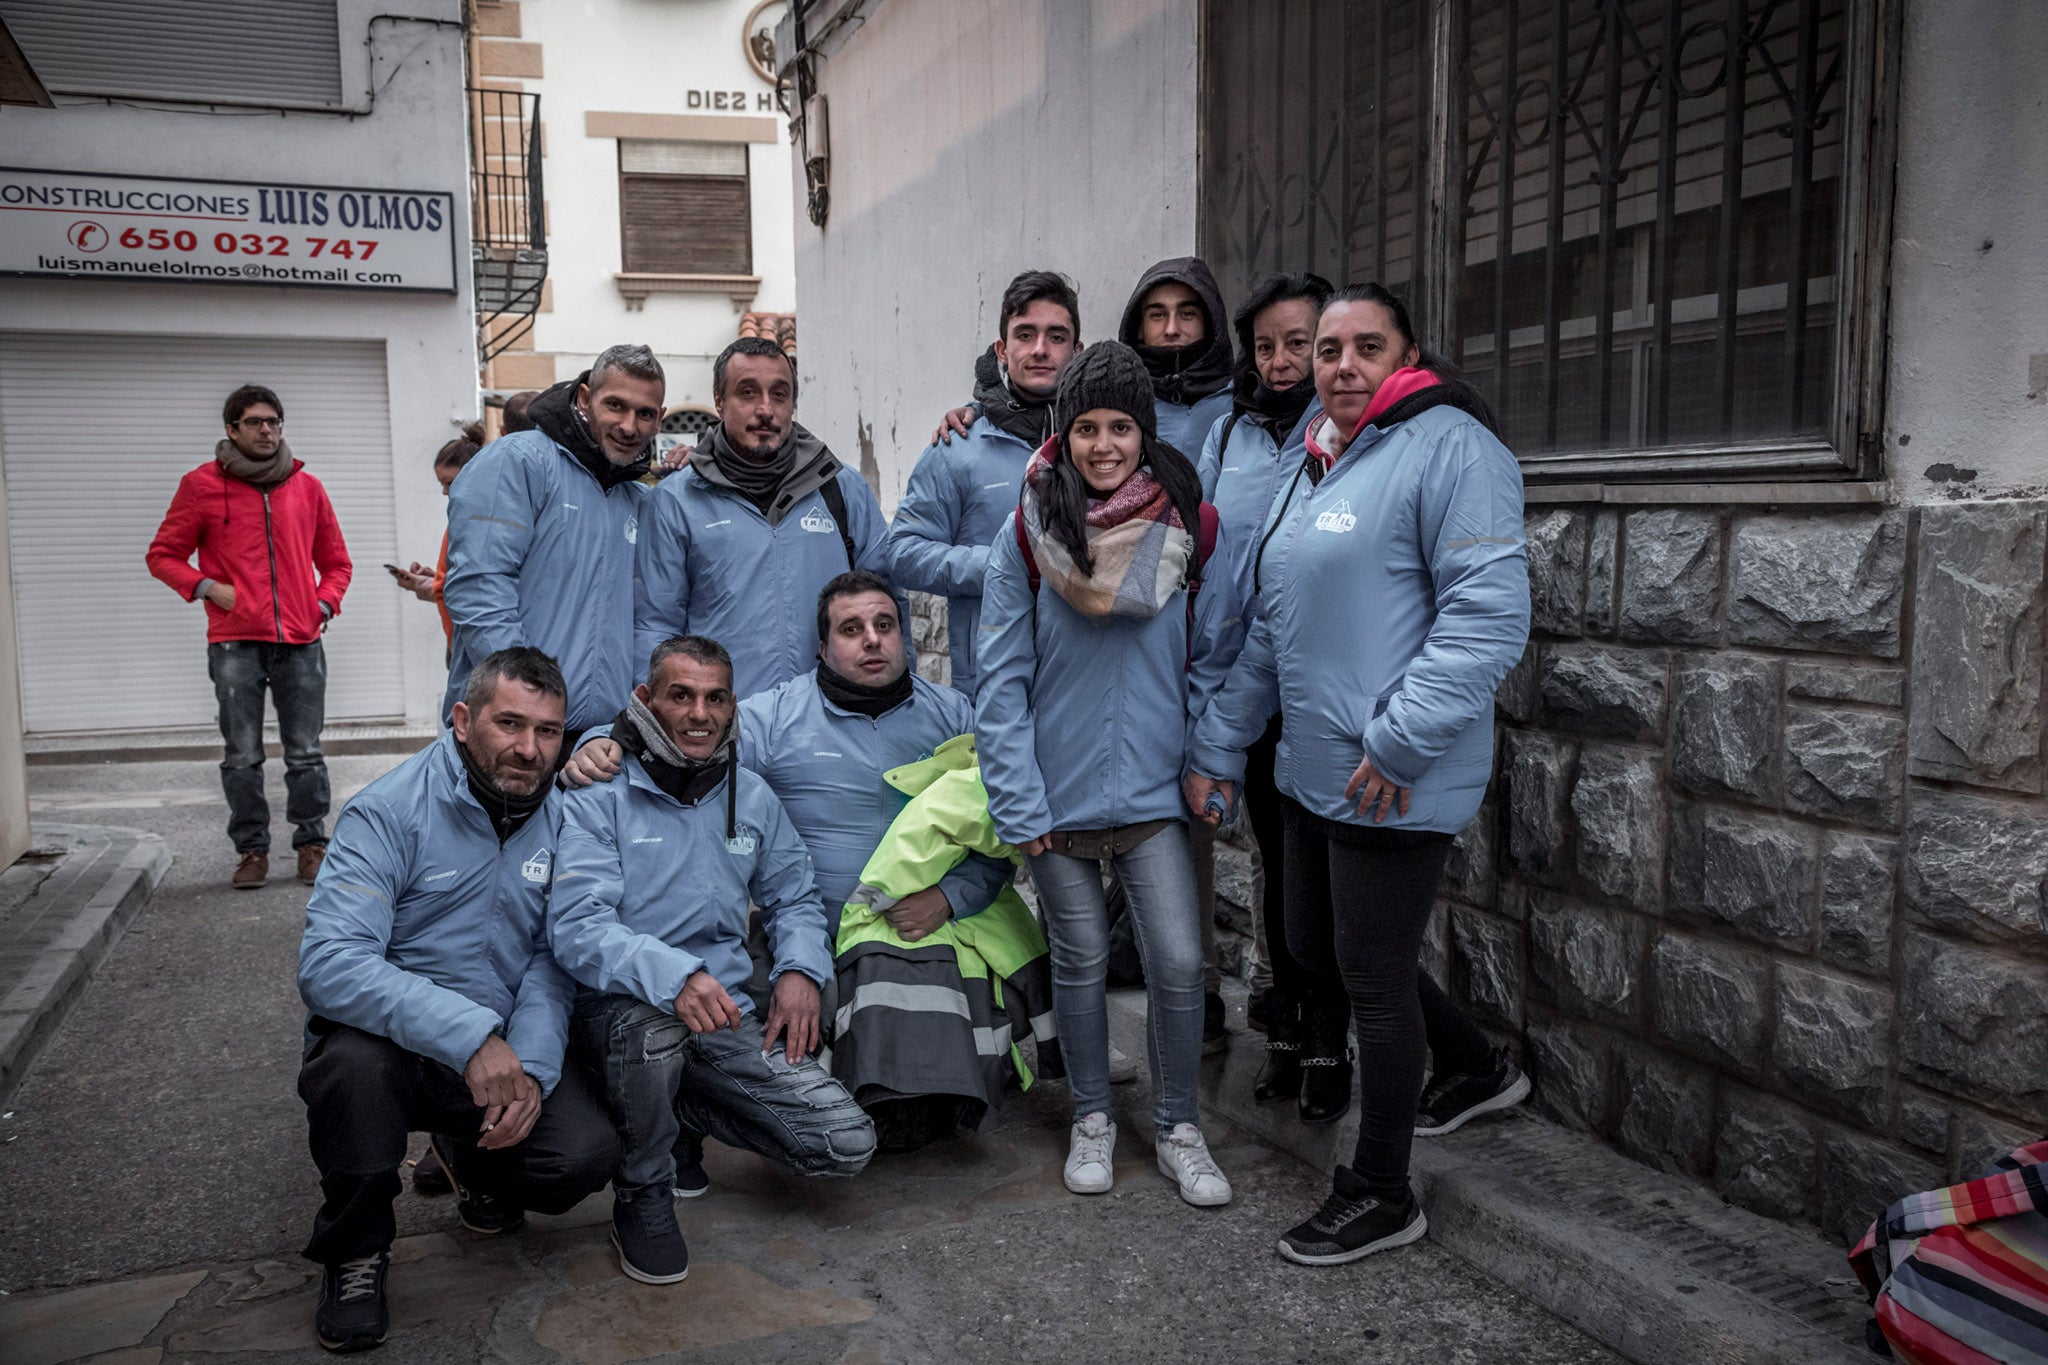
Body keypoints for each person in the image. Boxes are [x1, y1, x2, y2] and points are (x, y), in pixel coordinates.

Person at [1185, 285, 1533, 1266]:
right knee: (1313, 944)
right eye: (1326, 349)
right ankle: (1473, 1068)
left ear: (1407, 354)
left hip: (1390, 772)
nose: (1339, 365)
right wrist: (1218, 747)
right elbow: (1268, 628)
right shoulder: (1319, 461)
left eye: (1361, 347)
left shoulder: (1451, 450)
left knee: (1369, 975)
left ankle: (1380, 1188)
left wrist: (1399, 743)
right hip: (1310, 767)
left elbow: (1486, 619)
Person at [563, 573, 1049, 1151]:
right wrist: (597, 740)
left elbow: (1002, 831)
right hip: (822, 930)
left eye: (884, 625)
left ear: (904, 638)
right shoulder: (773, 718)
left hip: (933, 922)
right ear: (822, 648)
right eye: (851, 629)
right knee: (828, 1060)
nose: (871, 640)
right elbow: (680, 731)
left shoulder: (955, 716)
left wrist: (951, 896)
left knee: (947, 1000)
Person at [976, 340, 1238, 1209]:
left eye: (1119, 426)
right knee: (1081, 959)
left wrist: (1208, 762)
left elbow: (1214, 657)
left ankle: (1177, 1126)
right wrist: (1018, 796)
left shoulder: (1190, 524)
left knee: (1176, 957)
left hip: (1158, 793)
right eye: (1084, 426)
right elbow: (1001, 676)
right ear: (1064, 429)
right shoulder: (1029, 527)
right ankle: (1092, 1113)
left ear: (1143, 428)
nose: (1101, 445)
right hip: (1055, 795)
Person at [294, 648, 616, 1351]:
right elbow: (330, 963)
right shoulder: (388, 810)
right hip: (394, 1047)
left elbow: (551, 960)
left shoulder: (565, 820)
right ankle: (355, 1248)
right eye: (509, 723)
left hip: (498, 1049)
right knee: (351, 1071)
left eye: (549, 731)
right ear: (463, 717)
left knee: (580, 1157)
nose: (530, 749)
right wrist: (469, 1035)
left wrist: (529, 1064)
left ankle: (471, 1161)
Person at [550, 635, 875, 1286]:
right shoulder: (598, 790)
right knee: (653, 1030)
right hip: (618, 1016)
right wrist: (676, 975)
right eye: (681, 695)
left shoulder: (750, 795)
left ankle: (682, 1115)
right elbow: (576, 927)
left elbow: (795, 896)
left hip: (720, 1016)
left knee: (846, 1143)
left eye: (715, 697)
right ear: (646, 700)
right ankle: (644, 1190)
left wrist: (798, 971)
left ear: (732, 709)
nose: (699, 713)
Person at [1192, 272, 1341, 1116]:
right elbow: (1212, 563)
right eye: (1267, 345)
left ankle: (1330, 1048)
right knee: (1280, 879)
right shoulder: (1231, 431)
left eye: (1300, 342)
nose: (1283, 361)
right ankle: (1286, 1036)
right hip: (1249, 686)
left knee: (1325, 887)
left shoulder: (1354, 433)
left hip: (1322, 689)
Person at [146, 383, 353, 890]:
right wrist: (206, 587)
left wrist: (323, 602)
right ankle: (251, 851)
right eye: (255, 422)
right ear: (231, 429)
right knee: (242, 754)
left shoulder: (307, 488)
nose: (267, 430)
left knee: (305, 751)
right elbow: (163, 555)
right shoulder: (200, 485)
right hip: (235, 641)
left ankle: (310, 843)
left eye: (274, 422)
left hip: (301, 640)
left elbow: (336, 563)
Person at [635, 337, 900, 699]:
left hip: (833, 724)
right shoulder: (674, 502)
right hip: (721, 728)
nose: (765, 409)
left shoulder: (842, 490)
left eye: (779, 394)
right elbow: (655, 625)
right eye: (747, 393)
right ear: (719, 401)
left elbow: (888, 600)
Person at [443, 346, 661, 750]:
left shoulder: (637, 498)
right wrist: (529, 703)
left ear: (659, 420)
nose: (630, 426)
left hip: (596, 743)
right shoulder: (517, 462)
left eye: (644, 413)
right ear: (583, 398)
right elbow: (480, 590)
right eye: (615, 405)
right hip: (510, 731)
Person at [887, 270, 1081, 697]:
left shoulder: (1100, 447)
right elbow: (902, 552)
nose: (1040, 350)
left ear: (1077, 350)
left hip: (1082, 676)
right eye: (1025, 335)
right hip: (991, 681)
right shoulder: (957, 447)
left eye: (1056, 336)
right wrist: (998, 564)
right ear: (1002, 349)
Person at [1119, 257, 1236, 458]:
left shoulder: (1243, 404)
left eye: (1187, 314)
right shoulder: (1117, 402)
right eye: (1157, 315)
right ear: (1139, 326)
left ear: (1210, 321)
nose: (1171, 329)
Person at [390, 428, 484, 647]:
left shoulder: (481, 524)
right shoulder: (460, 519)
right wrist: (430, 580)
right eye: (441, 484)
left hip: (469, 644)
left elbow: (476, 588)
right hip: (458, 642)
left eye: (449, 482)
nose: (445, 491)